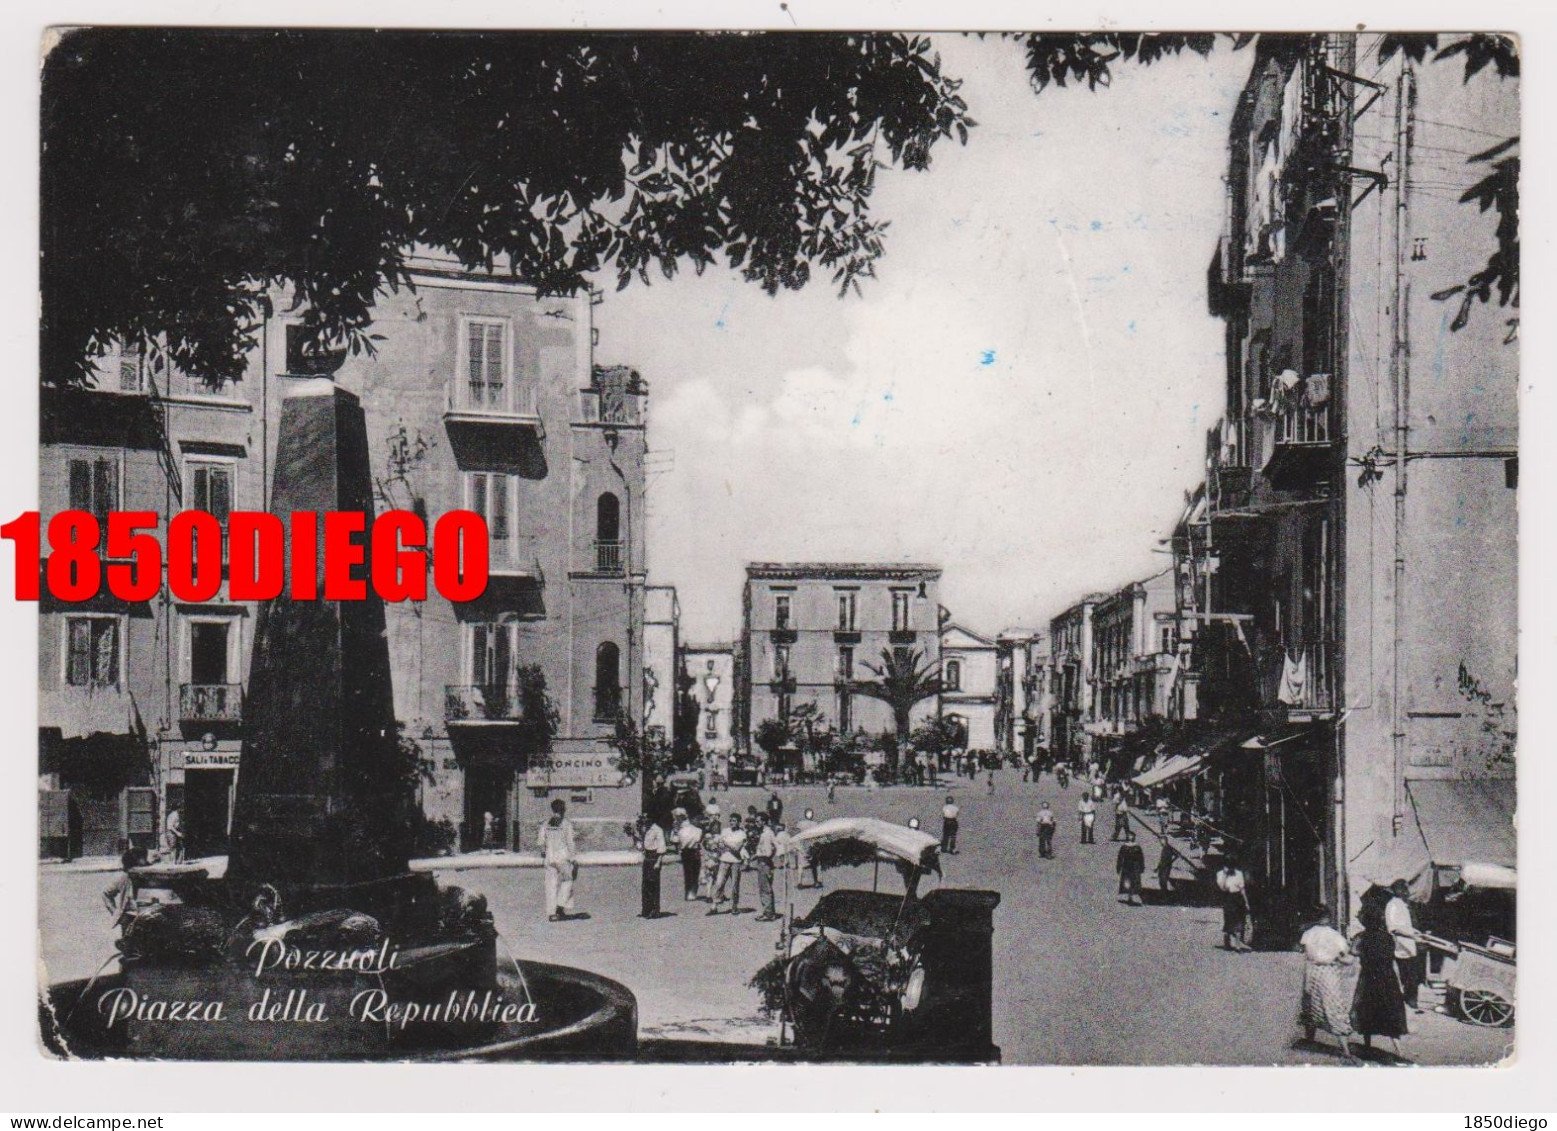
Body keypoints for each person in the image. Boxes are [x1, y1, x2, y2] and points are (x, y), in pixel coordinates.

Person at [1352, 886, 1409, 1057]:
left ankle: (1367, 1044)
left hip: (1369, 978)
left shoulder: (1361, 937)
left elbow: (1354, 952)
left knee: (1367, 1010)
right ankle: (1398, 1049)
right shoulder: (1387, 937)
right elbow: (1394, 954)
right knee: (1390, 1011)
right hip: (1387, 977)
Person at [1298, 911, 1360, 1062]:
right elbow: (1345, 957)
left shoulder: (1308, 933)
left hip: (1312, 970)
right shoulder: (1335, 935)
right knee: (1333, 1004)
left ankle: (1310, 1040)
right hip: (1329, 971)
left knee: (1311, 1003)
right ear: (1329, 919)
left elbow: (1303, 950)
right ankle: (1344, 1049)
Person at [1386, 879, 1425, 1012]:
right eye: (1405, 889)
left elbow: (1405, 925)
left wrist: (1415, 932)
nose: (1408, 892)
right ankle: (1410, 1001)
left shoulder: (1402, 905)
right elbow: (1394, 928)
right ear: (1399, 891)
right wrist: (1412, 936)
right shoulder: (1393, 906)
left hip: (1409, 945)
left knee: (1412, 975)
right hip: (1402, 946)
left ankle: (1410, 999)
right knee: (1409, 976)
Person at [540, 799, 580, 921]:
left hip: (549, 857)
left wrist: (544, 852)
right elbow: (570, 843)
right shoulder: (566, 824)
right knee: (568, 881)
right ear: (563, 809)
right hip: (563, 858)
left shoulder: (546, 823)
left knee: (550, 885)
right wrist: (573, 859)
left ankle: (552, 913)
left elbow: (541, 842)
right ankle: (560, 906)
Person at [710, 814, 748, 915]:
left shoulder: (742, 833)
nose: (732, 822)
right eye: (730, 820)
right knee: (719, 883)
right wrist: (721, 845)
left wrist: (725, 843)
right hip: (724, 860)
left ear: (739, 822)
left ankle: (734, 906)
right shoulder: (725, 831)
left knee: (734, 884)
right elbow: (719, 845)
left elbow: (737, 848)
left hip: (736, 862)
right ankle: (714, 905)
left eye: (734, 820)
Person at [635, 814, 667, 919]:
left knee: (653, 885)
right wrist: (634, 837)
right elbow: (642, 846)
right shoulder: (645, 829)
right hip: (647, 858)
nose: (645, 821)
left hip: (654, 858)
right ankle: (646, 910)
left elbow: (661, 848)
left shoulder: (657, 830)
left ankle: (654, 910)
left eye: (646, 819)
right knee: (645, 885)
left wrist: (658, 862)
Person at [1216, 857, 1251, 950]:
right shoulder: (1220, 874)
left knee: (1239, 921)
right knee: (1228, 920)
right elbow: (1222, 888)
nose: (1232, 869)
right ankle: (1227, 943)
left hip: (1238, 898)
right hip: (1228, 898)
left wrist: (1246, 902)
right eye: (1229, 866)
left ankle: (1238, 945)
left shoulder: (1239, 874)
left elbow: (1242, 889)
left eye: (1232, 866)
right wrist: (1225, 875)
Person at [751, 813, 780, 921]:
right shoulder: (766, 833)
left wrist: (756, 855)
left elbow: (767, 852)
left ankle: (768, 914)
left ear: (764, 821)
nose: (756, 823)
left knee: (765, 888)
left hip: (765, 862)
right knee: (766, 887)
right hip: (764, 862)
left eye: (758, 821)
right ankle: (769, 912)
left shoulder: (767, 834)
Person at [673, 810, 703, 902]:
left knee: (688, 872)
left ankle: (689, 892)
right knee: (695, 872)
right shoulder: (698, 830)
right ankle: (692, 892)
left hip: (686, 852)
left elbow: (675, 841)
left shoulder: (680, 830)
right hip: (694, 851)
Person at [1116, 828, 1146, 905]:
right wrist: (1118, 867)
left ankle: (1132, 895)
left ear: (1134, 837)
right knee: (1127, 881)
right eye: (1129, 836)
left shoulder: (1137, 847)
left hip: (1135, 866)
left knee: (1134, 881)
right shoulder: (1124, 847)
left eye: (1131, 836)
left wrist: (1142, 867)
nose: (1130, 837)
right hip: (1126, 865)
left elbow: (1141, 858)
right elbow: (1120, 857)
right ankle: (1129, 895)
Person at [795, 808, 822, 889]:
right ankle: (816, 881)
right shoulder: (815, 824)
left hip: (802, 845)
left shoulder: (800, 824)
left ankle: (800, 882)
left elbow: (797, 834)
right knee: (815, 865)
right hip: (811, 846)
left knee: (801, 865)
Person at [697, 818, 722, 901]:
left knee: (711, 878)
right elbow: (715, 848)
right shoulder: (715, 838)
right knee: (717, 877)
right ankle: (718, 894)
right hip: (714, 859)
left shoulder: (706, 837)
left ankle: (708, 895)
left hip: (709, 859)